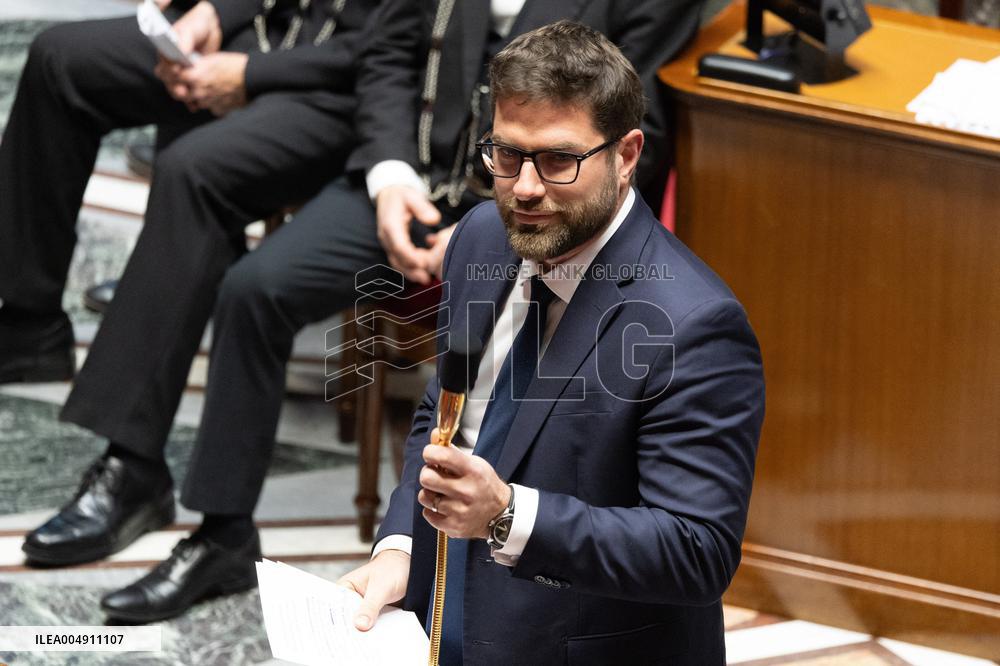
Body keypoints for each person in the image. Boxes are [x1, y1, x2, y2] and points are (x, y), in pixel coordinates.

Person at [8, 0, 701, 623]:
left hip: (533, 211)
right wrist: (390, 177)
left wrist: (494, 223)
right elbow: (390, 53)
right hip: (404, 186)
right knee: (253, 290)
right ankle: (223, 532)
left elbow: (632, 130)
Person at [336, 21, 765, 665]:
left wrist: (506, 514)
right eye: (507, 156)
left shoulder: (694, 324)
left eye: (559, 160)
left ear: (626, 157)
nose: (526, 188)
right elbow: (444, 415)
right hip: (444, 615)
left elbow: (695, 549)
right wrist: (401, 546)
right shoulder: (483, 236)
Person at [0, 0, 376, 621]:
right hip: (267, 28)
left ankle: (133, 464)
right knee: (59, 60)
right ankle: (29, 325)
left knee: (194, 172)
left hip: (344, 84)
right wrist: (211, 12)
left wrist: (251, 75)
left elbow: (406, 48)